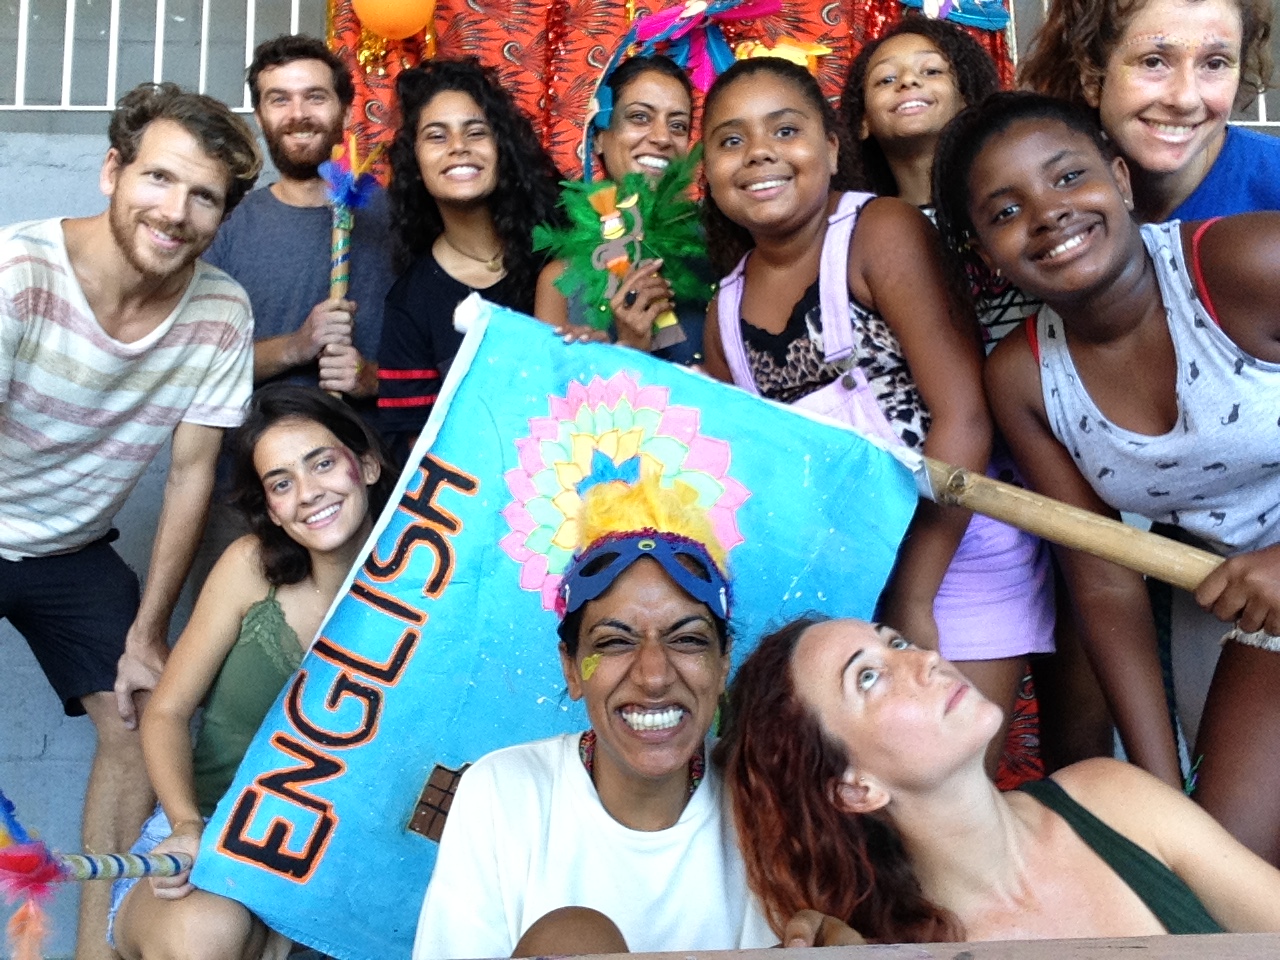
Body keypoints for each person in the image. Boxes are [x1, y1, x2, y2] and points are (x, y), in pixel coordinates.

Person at [932, 90, 1280, 861]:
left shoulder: (1250, 262)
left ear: (1122, 180)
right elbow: (1105, 580)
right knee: (1222, 872)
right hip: (1251, 618)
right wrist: (1159, 795)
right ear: (985, 253)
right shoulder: (1022, 378)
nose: (1047, 213)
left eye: (1067, 178)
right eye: (1004, 210)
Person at [700, 58, 1053, 772]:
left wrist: (911, 596)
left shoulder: (880, 231)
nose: (759, 151)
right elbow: (748, 475)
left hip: (956, 554)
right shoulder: (724, 311)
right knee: (877, 806)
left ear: (832, 147)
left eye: (786, 129)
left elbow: (964, 417)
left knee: (952, 784)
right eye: (730, 141)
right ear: (706, 170)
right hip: (848, 577)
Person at [0, 82, 259, 960]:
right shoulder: (19, 271)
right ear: (112, 171)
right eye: (158, 179)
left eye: (203, 196)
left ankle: (92, 950)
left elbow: (192, 476)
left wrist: (149, 634)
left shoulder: (221, 310)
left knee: (140, 712)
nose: (175, 211)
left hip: (69, 550)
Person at [719, 616, 1280, 943]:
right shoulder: (903, 950)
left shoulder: (1111, 796)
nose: (925, 659)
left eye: (896, 643)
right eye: (868, 678)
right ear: (854, 787)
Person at [413, 473, 774, 958]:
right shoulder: (503, 792)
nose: (654, 675)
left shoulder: (766, 800)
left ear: (724, 663)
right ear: (572, 668)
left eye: (687, 638)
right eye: (614, 641)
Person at [110, 384, 397, 960]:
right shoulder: (249, 567)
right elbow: (165, 712)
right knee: (206, 933)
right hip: (211, 840)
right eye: (282, 483)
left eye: (322, 463)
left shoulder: (430, 592)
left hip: (342, 869)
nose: (310, 493)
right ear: (270, 507)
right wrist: (187, 823)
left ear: (364, 464)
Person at [196, 34, 396, 583]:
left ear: (345, 108)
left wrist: (372, 378)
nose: (298, 114)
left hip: (369, 483)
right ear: (259, 113)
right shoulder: (226, 227)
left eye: (315, 96)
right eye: (278, 99)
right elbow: (191, 369)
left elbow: (445, 360)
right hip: (247, 489)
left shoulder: (400, 221)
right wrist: (297, 347)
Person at [377, 58, 562, 464]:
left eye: (476, 131)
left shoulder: (561, 244)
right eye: (436, 136)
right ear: (415, 162)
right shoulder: (411, 304)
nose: (459, 147)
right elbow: (418, 454)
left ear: (502, 148)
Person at [1019, 0, 1276, 223]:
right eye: (1153, 62)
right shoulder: (1050, 210)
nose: (1185, 99)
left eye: (1215, 63)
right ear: (1091, 76)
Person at [534, 54, 709, 365]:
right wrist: (627, 350)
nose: (661, 138)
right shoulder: (559, 282)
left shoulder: (719, 246)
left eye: (678, 125)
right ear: (599, 137)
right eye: (640, 117)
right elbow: (552, 403)